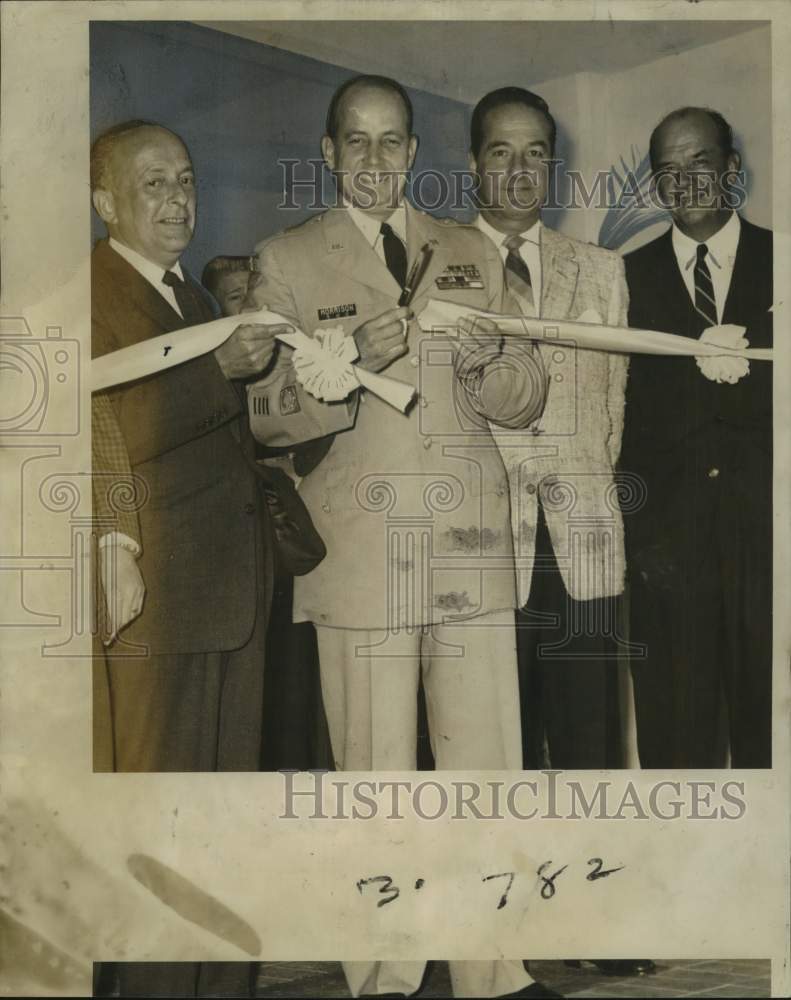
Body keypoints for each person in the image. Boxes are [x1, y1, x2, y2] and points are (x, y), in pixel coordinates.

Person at [247, 75, 556, 1000]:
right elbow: (261, 416)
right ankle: (382, 974)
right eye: (358, 141)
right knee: (374, 780)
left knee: (485, 772)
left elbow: (528, 395)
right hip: (362, 557)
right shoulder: (287, 258)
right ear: (332, 153)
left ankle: (493, 970)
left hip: (468, 547)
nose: (377, 160)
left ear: (415, 154)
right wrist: (341, 376)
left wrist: (490, 362)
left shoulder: (466, 250)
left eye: (393, 142)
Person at [90, 119, 289, 998]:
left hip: (231, 590)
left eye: (186, 180)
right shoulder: (81, 294)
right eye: (152, 184)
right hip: (156, 594)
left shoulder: (200, 303)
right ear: (106, 203)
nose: (177, 199)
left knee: (223, 818)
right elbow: (104, 434)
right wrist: (221, 375)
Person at [468, 85, 655, 983]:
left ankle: (597, 921)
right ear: (473, 164)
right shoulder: (443, 267)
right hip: (479, 547)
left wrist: (574, 488)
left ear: (553, 163)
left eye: (534, 151)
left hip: (579, 536)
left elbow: (609, 413)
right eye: (500, 151)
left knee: (587, 740)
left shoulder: (600, 271)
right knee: (495, 743)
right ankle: (507, 934)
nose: (518, 168)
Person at [621, 106, 772, 768]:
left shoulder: (785, 256)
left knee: (770, 726)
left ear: (732, 169)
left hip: (771, 540)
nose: (683, 182)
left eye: (700, 162)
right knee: (674, 736)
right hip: (666, 549)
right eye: (666, 170)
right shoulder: (621, 277)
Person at [201, 253, 333, 770]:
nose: (250, 310)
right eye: (236, 299)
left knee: (300, 652)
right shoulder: (217, 366)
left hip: (295, 528)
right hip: (250, 532)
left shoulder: (291, 357)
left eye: (255, 297)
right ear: (218, 307)